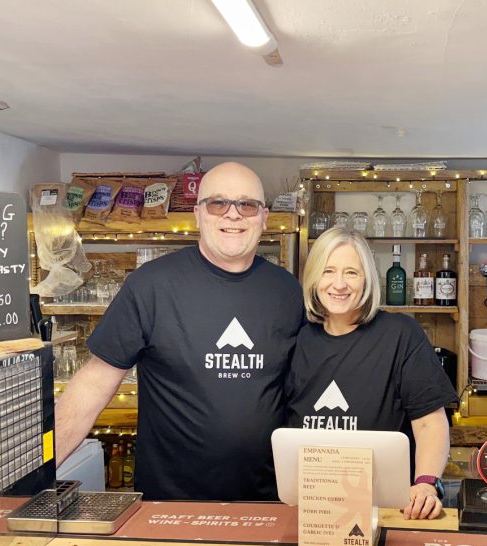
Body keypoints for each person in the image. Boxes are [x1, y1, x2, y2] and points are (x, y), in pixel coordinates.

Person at [55, 162, 304, 501]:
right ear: (199, 214)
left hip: (269, 500)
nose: (233, 215)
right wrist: (37, 470)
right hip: (169, 502)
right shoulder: (152, 285)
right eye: (219, 203)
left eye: (247, 205)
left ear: (263, 217)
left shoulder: (287, 292)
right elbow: (94, 382)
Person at [285, 227, 458, 519]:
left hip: (389, 508)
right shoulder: (298, 340)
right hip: (312, 507)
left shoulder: (400, 334)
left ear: (367, 279)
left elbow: (430, 423)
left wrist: (426, 484)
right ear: (314, 278)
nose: (338, 284)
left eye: (351, 272)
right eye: (328, 271)